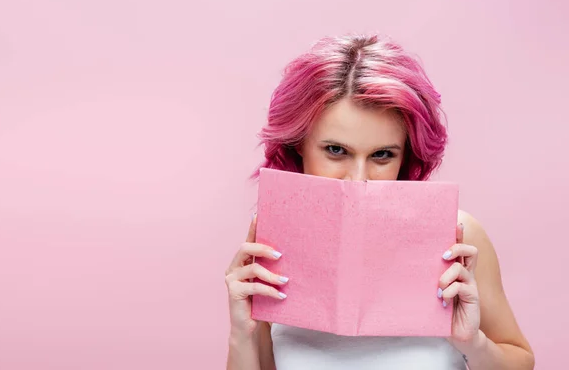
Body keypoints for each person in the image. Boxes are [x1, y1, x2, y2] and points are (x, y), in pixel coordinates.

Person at [224, 34, 534, 369]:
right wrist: (242, 333)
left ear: (407, 154)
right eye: (336, 150)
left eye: (382, 155)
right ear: (299, 144)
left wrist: (472, 342)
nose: (358, 179)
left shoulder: (457, 236)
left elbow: (520, 361)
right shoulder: (274, 240)